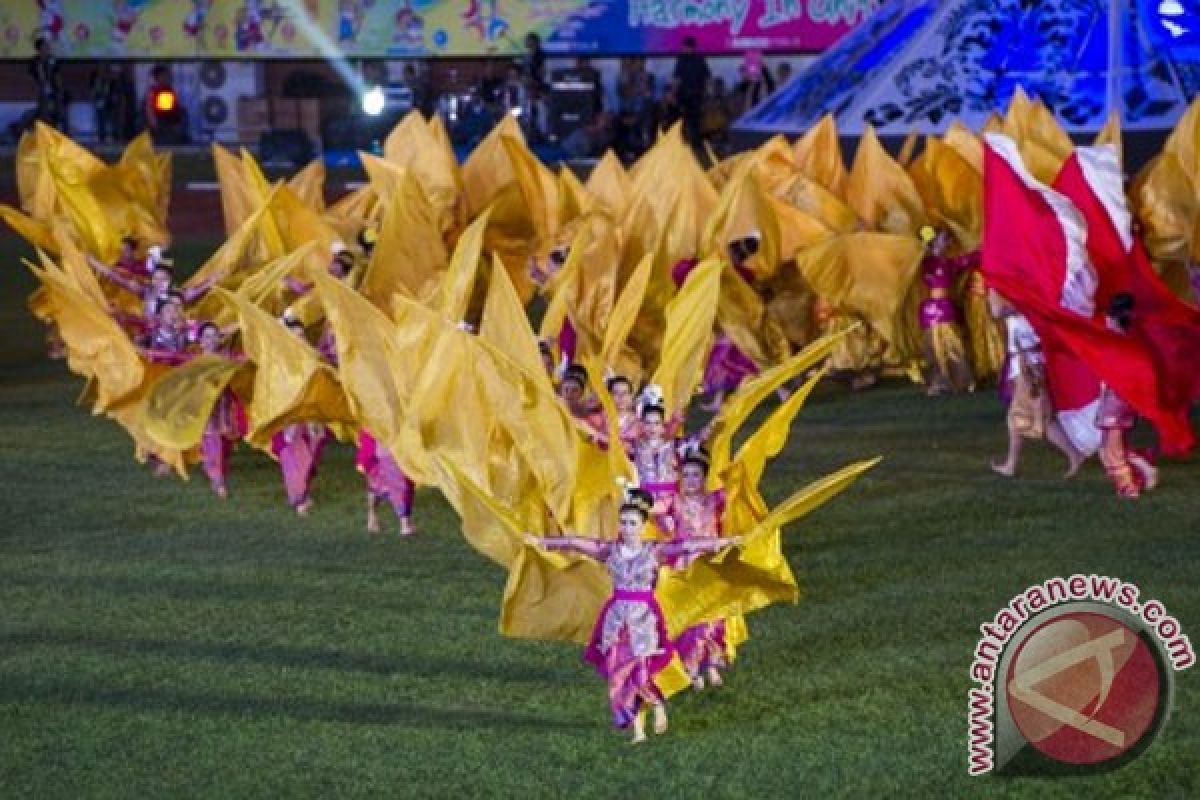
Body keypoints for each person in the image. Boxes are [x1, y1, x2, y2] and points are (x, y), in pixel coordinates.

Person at [525, 486, 744, 742]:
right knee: (619, 671)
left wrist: (723, 542)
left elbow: (686, 546)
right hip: (616, 618)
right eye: (624, 523)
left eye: (632, 523)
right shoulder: (610, 550)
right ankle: (637, 729)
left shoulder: (654, 551)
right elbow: (575, 543)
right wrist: (542, 542)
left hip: (644, 619)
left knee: (639, 669)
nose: (627, 528)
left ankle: (657, 703)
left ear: (642, 526)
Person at [988, 292, 1083, 478]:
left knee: (1034, 417)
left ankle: (1073, 455)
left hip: (1029, 362)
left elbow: (997, 311)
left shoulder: (1025, 295)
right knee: (1030, 416)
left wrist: (993, 288)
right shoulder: (1023, 293)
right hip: (1026, 359)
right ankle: (1011, 464)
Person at [663, 446, 732, 690]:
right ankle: (691, 667)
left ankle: (712, 663)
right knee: (691, 618)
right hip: (685, 565)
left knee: (713, 614)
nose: (691, 480)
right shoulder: (674, 502)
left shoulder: (715, 499)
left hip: (709, 564)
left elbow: (738, 492)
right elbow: (650, 510)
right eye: (687, 475)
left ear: (704, 478)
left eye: (696, 475)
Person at [1095, 293, 1158, 497]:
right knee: (1110, 447)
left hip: (1117, 399)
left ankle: (1128, 488)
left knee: (1112, 448)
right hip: (1124, 398)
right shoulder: (1132, 338)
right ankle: (1145, 469)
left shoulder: (1118, 339)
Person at [271, 315, 331, 515]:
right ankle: (298, 500)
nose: (298, 340)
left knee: (313, 449)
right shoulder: (279, 361)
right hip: (290, 414)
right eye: (293, 336)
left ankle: (303, 491)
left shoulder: (312, 357)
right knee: (293, 452)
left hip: (311, 413)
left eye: (301, 335)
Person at [919, 227, 978, 395]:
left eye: (948, 240)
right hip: (930, 311)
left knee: (953, 347)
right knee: (933, 350)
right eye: (944, 240)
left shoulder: (950, 263)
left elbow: (971, 258)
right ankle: (938, 382)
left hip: (944, 310)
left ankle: (960, 381)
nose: (947, 243)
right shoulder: (924, 263)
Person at [196, 321, 246, 499]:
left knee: (225, 444)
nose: (210, 340)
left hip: (225, 408)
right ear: (200, 341)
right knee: (213, 440)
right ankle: (218, 481)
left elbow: (243, 359)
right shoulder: (194, 361)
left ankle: (213, 468)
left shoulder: (226, 358)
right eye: (206, 336)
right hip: (207, 411)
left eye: (214, 336)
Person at [357, 430, 416, 536]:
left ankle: (404, 523)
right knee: (390, 486)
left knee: (400, 485)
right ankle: (404, 524)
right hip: (384, 450)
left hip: (392, 447)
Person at [671, 37, 710, 148]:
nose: (682, 49)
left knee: (690, 121)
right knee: (691, 121)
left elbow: (677, 79)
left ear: (689, 48)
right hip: (691, 95)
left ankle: (690, 144)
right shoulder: (698, 59)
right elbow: (707, 78)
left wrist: (673, 94)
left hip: (690, 95)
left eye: (684, 47)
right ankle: (692, 144)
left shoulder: (684, 60)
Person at [29, 37, 63, 129]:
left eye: (48, 46)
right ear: (39, 48)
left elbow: (57, 74)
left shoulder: (52, 59)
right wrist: (38, 87)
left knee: (56, 112)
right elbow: (31, 77)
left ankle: (55, 133)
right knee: (44, 113)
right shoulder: (34, 61)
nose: (48, 47)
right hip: (42, 90)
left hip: (54, 89)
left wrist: (60, 90)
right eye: (45, 45)